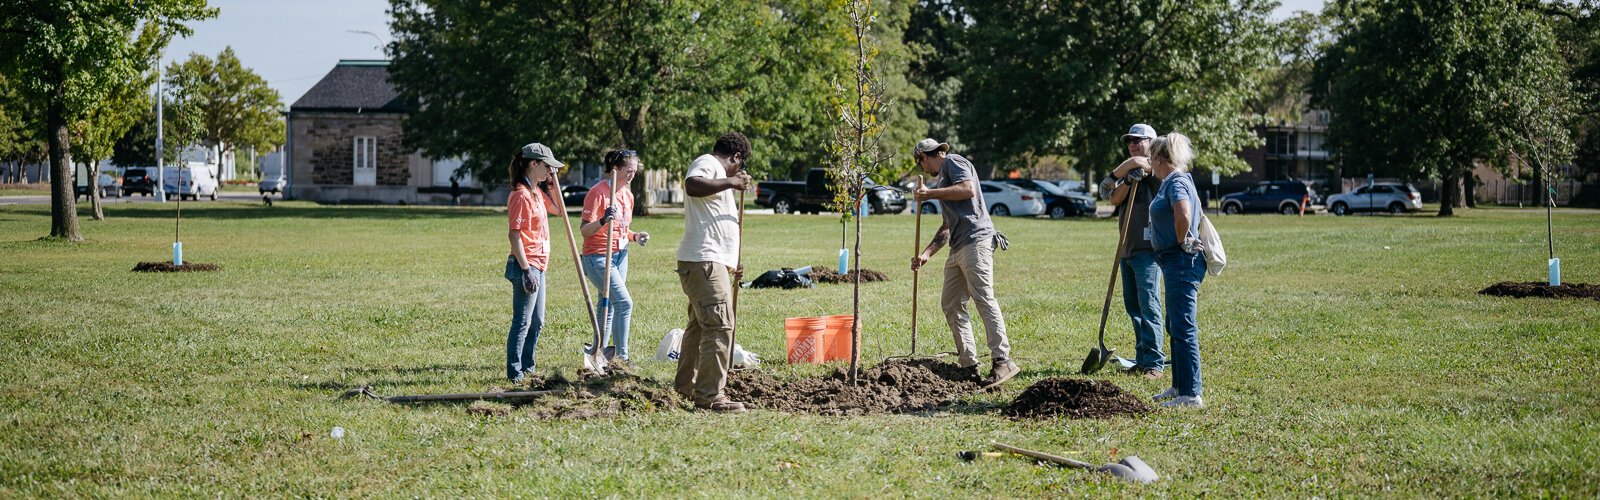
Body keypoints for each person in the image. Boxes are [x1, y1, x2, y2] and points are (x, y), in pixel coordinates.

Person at [910, 138, 1019, 387]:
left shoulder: (953, 162)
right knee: (950, 303)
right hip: (957, 246)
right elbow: (947, 227)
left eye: (921, 164)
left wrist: (930, 194)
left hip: (976, 241)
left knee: (983, 298)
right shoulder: (943, 181)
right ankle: (969, 364)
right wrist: (927, 253)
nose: (923, 170)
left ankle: (1003, 361)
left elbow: (968, 188)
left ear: (924, 157)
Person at [675, 132, 753, 412]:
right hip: (703, 262)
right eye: (739, 167)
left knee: (699, 326)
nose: (738, 173)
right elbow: (692, 185)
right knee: (720, 325)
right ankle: (709, 396)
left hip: (710, 262)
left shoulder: (719, 176)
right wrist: (731, 181)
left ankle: (686, 385)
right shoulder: (708, 163)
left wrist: (731, 261)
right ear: (735, 157)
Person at [1098, 123, 1165, 379]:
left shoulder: (1160, 169)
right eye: (1129, 141)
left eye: (1138, 140)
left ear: (1152, 142)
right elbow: (1114, 199)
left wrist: (1123, 170)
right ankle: (1142, 357)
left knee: (1149, 307)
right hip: (1126, 250)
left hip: (1148, 251)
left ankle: (1155, 364)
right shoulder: (1134, 172)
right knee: (1134, 308)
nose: (1133, 145)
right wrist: (1125, 179)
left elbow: (1144, 163)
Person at [1146, 133, 1206, 408]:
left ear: (1159, 159)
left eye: (1150, 159)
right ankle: (1179, 386)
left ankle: (1191, 394)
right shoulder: (1174, 181)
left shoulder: (1176, 182)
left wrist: (1181, 241)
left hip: (1181, 262)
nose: (1150, 164)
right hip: (1173, 262)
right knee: (1175, 325)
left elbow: (1183, 214)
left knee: (1183, 326)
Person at [579, 149, 651, 371]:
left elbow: (622, 230)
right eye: (628, 170)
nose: (632, 175)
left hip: (621, 255)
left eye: (635, 171)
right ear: (615, 169)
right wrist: (602, 220)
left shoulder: (627, 195)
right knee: (624, 303)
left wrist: (635, 236)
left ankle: (597, 352)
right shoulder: (598, 192)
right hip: (598, 257)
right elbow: (584, 230)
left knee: (608, 305)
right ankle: (622, 357)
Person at [503, 143, 563, 384]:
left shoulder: (537, 192)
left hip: (540, 265)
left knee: (537, 321)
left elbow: (558, 210)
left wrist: (551, 184)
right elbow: (514, 235)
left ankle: (528, 367)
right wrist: (527, 270)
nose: (551, 170)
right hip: (526, 265)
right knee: (523, 320)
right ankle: (515, 372)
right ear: (533, 164)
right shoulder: (520, 194)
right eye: (547, 166)